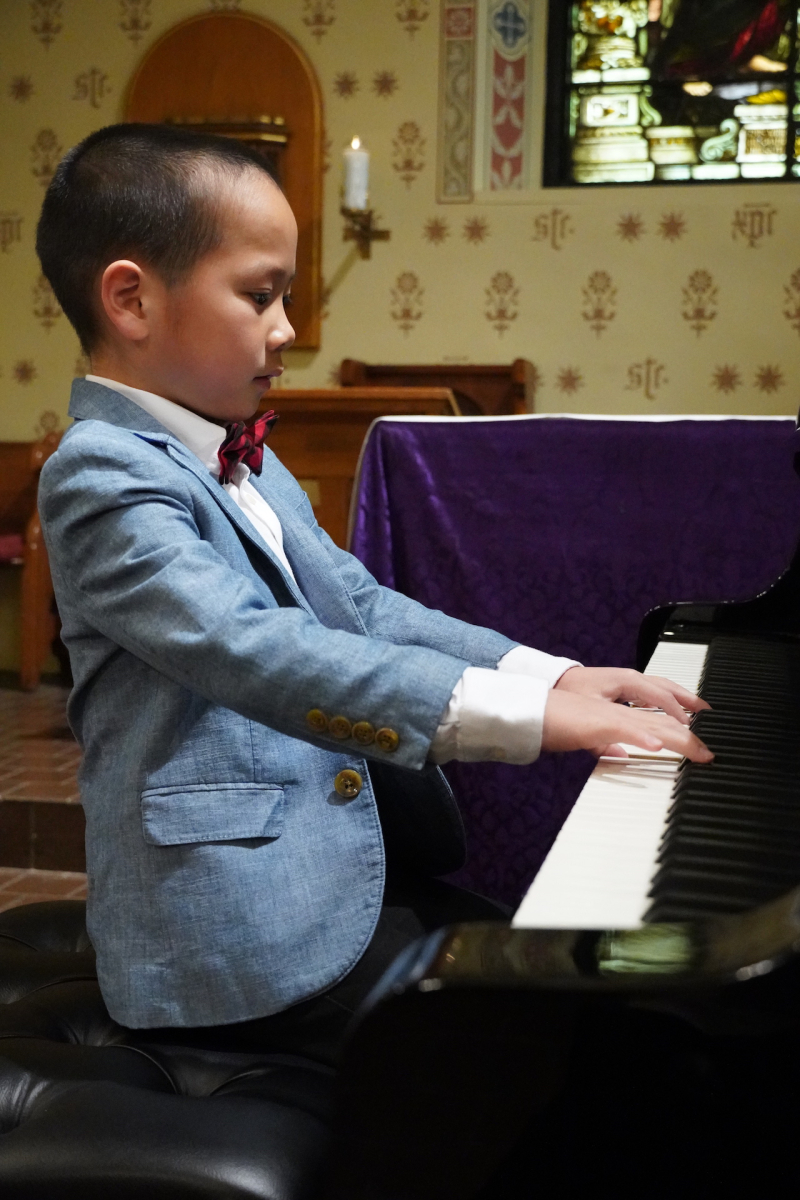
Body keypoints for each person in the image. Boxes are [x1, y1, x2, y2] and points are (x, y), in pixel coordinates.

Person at [35, 124, 711, 1063]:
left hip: (334, 876)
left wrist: (549, 676)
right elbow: (253, 647)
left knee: (578, 984)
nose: (285, 328)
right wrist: (527, 722)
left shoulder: (240, 453)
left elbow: (363, 607)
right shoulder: (100, 474)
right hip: (231, 938)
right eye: (261, 296)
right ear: (131, 299)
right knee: (562, 1042)